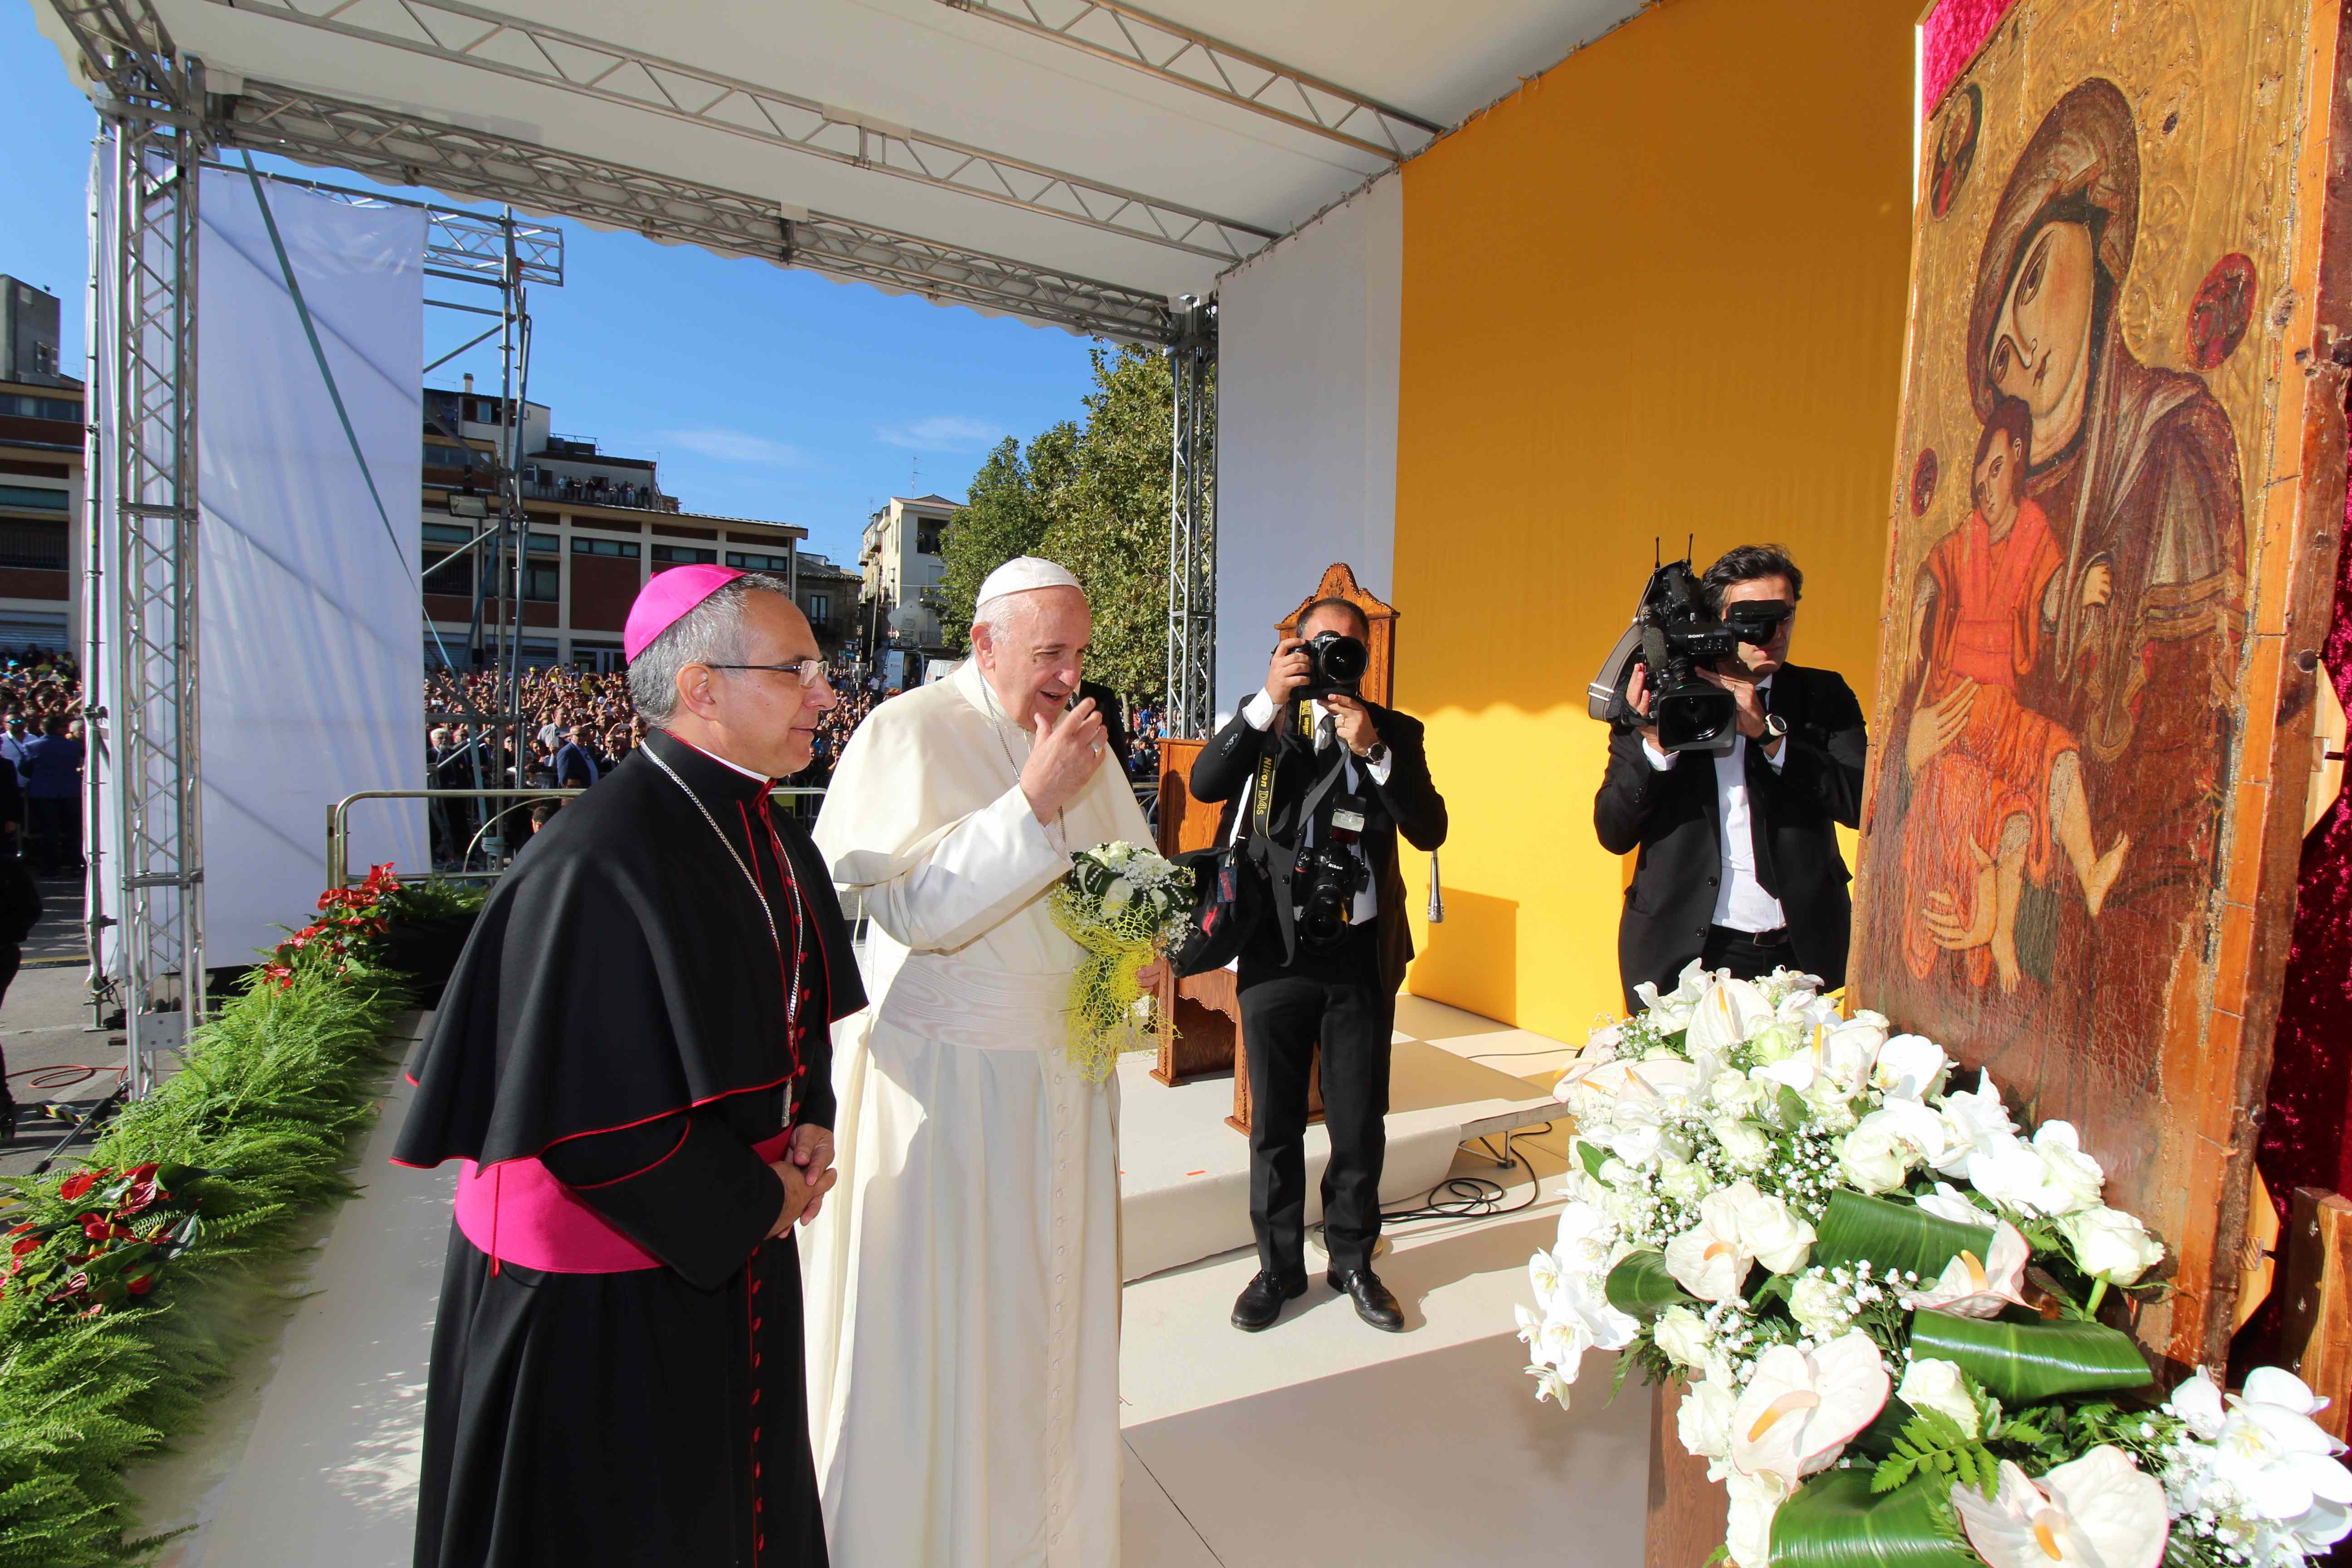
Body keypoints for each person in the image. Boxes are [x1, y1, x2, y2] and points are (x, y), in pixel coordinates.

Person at [396, 566, 866, 1568]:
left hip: (726, 1241)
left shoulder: (770, 830)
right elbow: (591, 1125)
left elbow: (800, 1003)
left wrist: (811, 1110)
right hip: (598, 1297)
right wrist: (762, 1198)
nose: (826, 695)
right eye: (798, 670)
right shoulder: (594, 857)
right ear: (701, 688)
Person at [803, 557, 1150, 1568]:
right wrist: (1032, 804)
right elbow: (910, 912)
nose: (1069, 676)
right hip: (949, 1088)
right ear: (985, 642)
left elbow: (1121, 887)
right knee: (955, 1341)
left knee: (1053, 1332)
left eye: (1080, 654)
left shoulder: (1082, 736)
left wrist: (1145, 929)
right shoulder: (903, 732)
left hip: (1062, 1077)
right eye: (1051, 653)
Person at [1188, 595, 1449, 1333]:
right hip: (1272, 953)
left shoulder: (1391, 731)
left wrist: (1371, 749)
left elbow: (1428, 826)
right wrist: (1268, 699)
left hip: (1358, 956)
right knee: (1272, 1123)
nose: (1330, 655)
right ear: (1291, 648)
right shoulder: (1262, 718)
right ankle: (1275, 1268)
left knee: (1358, 1121)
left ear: (1367, 658)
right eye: (1316, 643)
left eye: (1347, 647)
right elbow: (1207, 783)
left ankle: (1353, 1261)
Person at [1895, 398, 2128, 993]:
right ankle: (1996, 936)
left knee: (2050, 773)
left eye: (1996, 471)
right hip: (1963, 707)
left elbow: (2048, 603)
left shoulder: (2032, 533)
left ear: (2018, 459)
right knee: (1997, 809)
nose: (1986, 488)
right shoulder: (1966, 538)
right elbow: (1935, 570)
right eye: (1979, 479)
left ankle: (2087, 874)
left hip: (2003, 711)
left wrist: (2081, 593)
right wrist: (1922, 591)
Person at [1594, 544, 1867, 1009]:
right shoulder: (1660, 698)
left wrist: (1770, 735)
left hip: (1803, 947)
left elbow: (1863, 805)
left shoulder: (1823, 696)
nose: (1773, 634)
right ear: (1716, 621)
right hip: (1687, 950)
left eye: (1785, 617)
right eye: (1752, 618)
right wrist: (1657, 748)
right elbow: (1613, 832)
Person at [20, 716, 83, 877]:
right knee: (73, 830)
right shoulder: (73, 747)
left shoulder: (32, 747)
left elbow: (24, 770)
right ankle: (75, 864)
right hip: (70, 792)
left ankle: (51, 867)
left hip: (43, 793)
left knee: (48, 831)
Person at [551, 722, 600, 789]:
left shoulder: (589, 750)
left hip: (593, 790)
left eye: (584, 735)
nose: (582, 737)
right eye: (579, 735)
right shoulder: (566, 752)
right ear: (571, 737)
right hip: (578, 792)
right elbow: (563, 778)